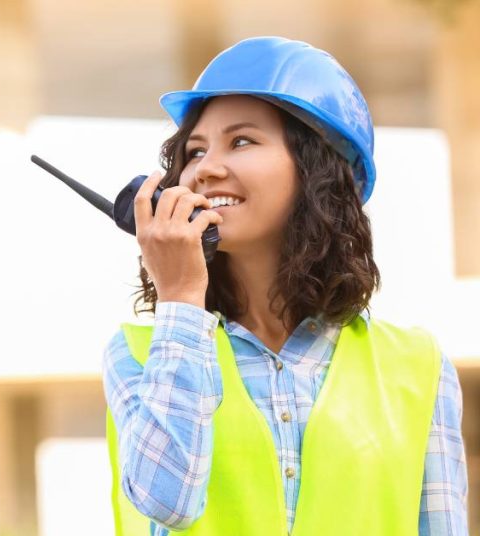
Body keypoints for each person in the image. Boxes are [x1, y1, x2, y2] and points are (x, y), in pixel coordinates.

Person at [102, 36, 468, 535]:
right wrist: (182, 298)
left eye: (242, 141)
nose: (205, 167)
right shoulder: (138, 355)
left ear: (317, 172)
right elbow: (169, 501)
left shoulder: (419, 368)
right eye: (194, 150)